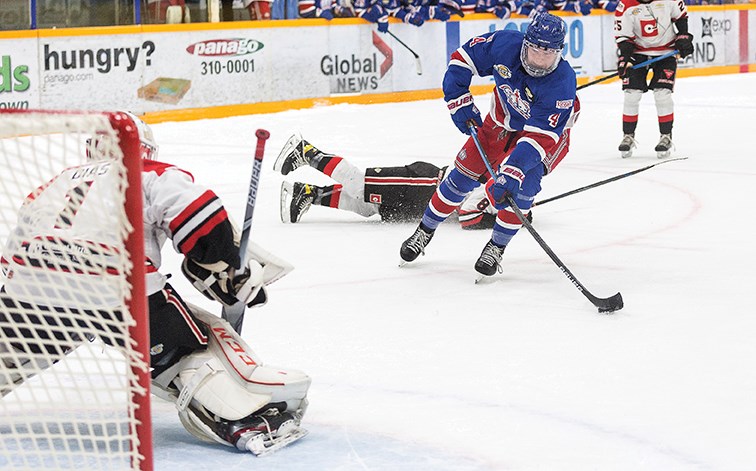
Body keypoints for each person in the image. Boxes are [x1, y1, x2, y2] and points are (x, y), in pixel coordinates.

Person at [0, 112, 310, 455]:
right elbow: (201, 219)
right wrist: (224, 265)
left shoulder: (52, 184)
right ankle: (243, 418)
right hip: (116, 290)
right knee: (191, 345)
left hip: (29, 292)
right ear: (143, 149)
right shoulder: (151, 174)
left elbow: (10, 259)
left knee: (8, 355)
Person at [398, 12, 578, 278]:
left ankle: (496, 246)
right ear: (526, 43)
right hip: (500, 123)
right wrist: (458, 98)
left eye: (548, 54)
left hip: (544, 137)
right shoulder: (504, 44)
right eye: (536, 51)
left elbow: (540, 137)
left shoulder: (562, 83)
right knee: (460, 177)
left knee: (522, 189)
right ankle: (424, 231)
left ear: (559, 52)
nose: (540, 61)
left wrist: (512, 172)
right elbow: (462, 60)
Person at [274, 134, 532, 230]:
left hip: (423, 206)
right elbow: (467, 217)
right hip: (423, 183)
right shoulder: (498, 183)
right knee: (361, 185)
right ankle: (307, 152)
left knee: (367, 207)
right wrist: (495, 216)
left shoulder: (507, 191)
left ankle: (308, 194)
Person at [614, 0, 694, 159]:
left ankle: (666, 136)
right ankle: (628, 136)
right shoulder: (626, 5)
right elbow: (623, 37)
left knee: (662, 94)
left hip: (666, 52)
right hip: (638, 53)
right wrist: (625, 57)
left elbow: (681, 18)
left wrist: (683, 37)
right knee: (631, 94)